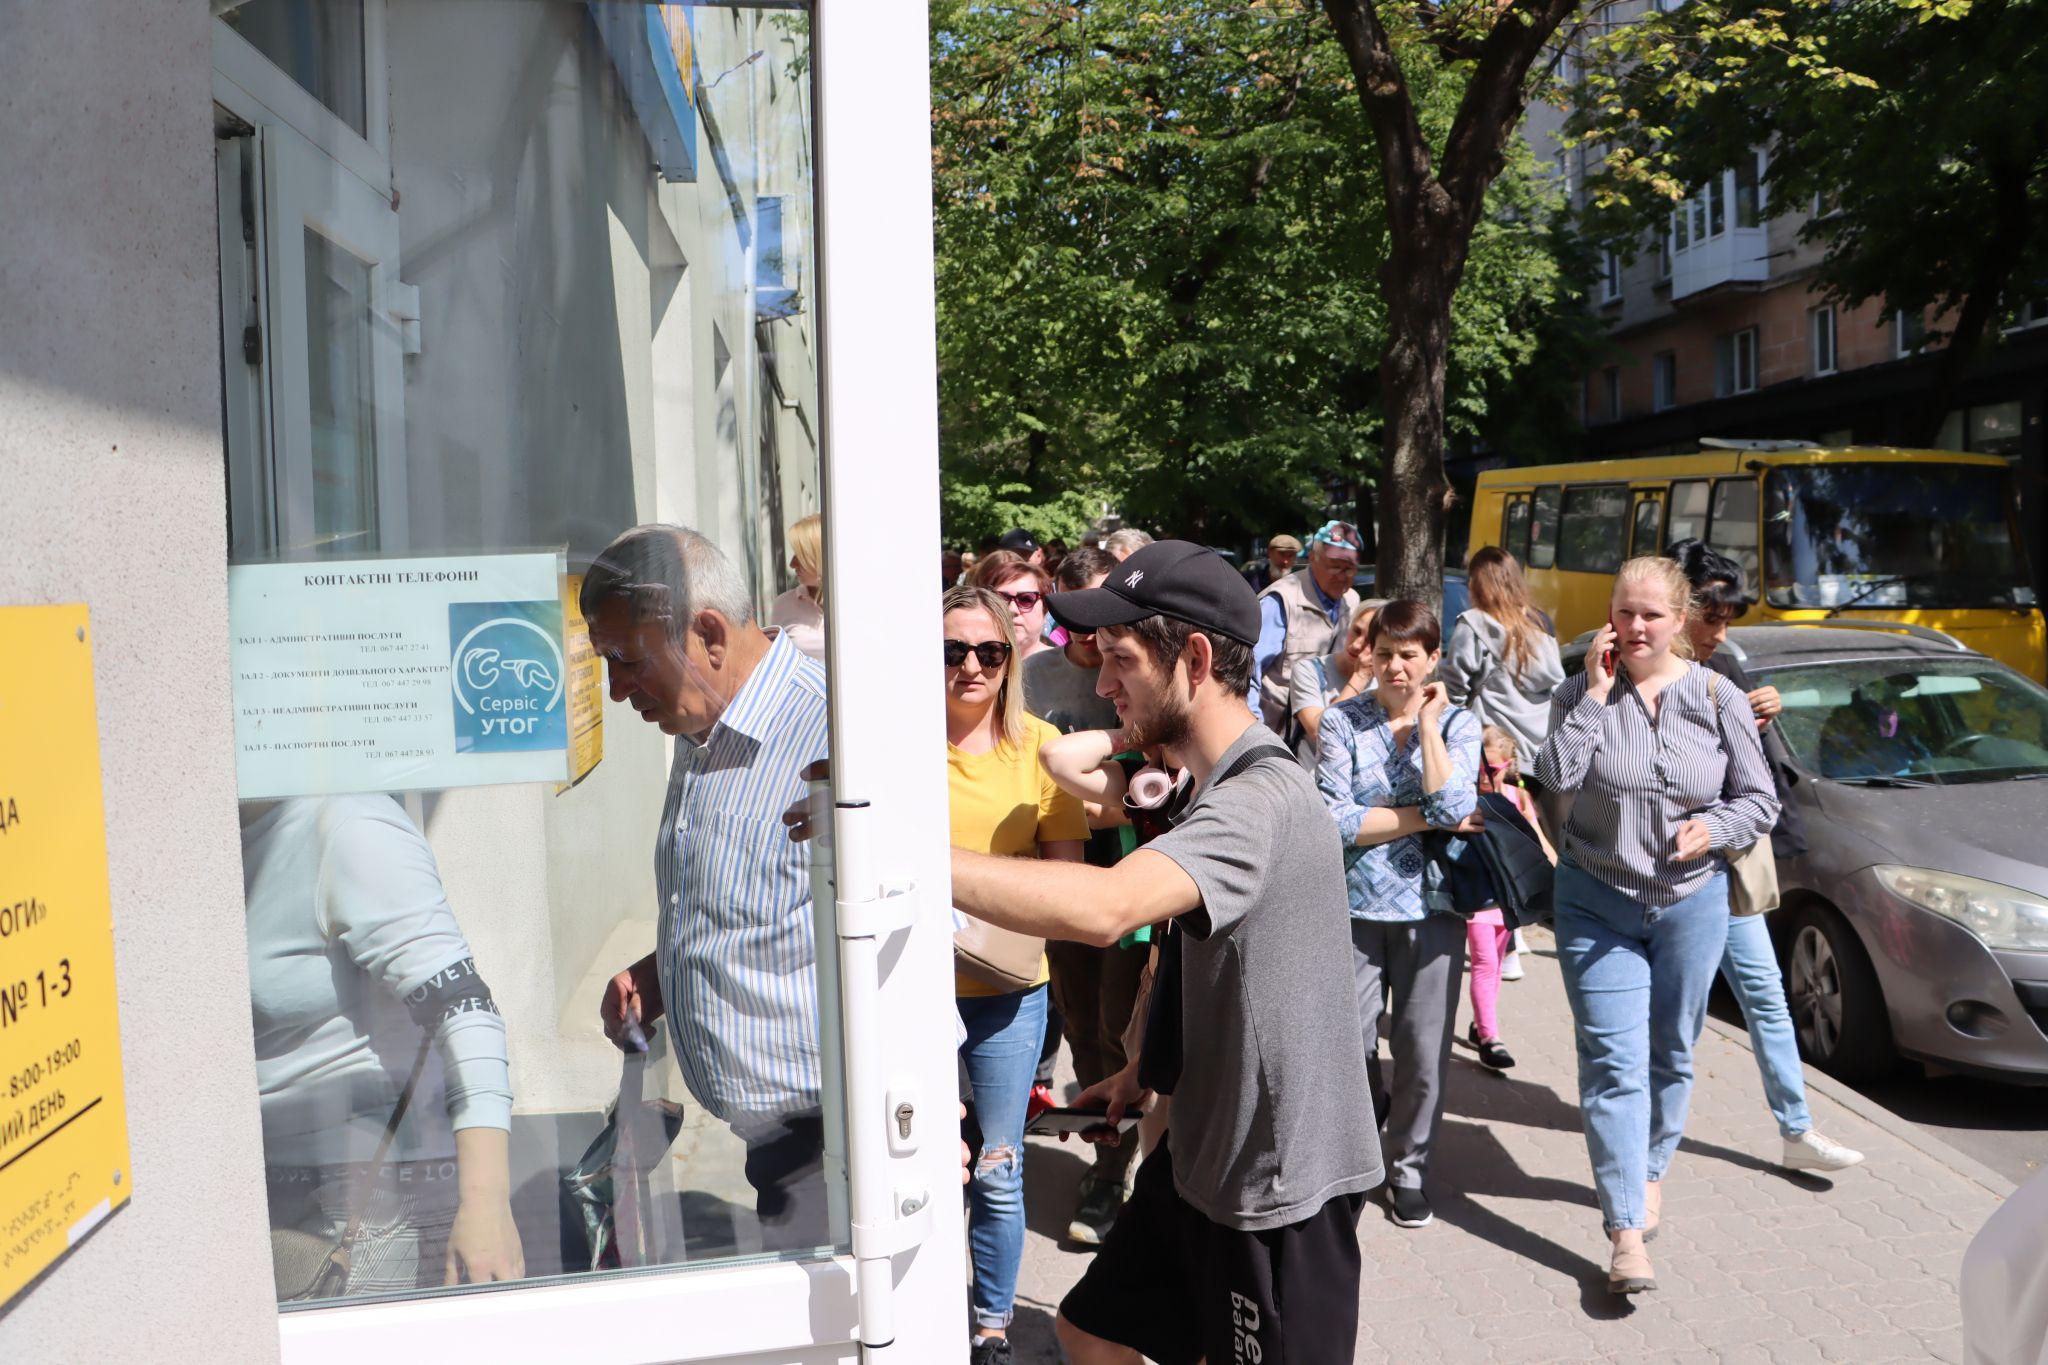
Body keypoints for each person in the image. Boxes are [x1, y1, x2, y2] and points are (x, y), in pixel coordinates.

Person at [950, 540, 1380, 1365]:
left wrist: (897, 851)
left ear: (1193, 658)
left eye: (1119, 661)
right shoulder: (1202, 784)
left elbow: (1108, 909)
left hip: (1277, 1187)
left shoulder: (1262, 799)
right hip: (1200, 1156)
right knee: (1089, 1330)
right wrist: (1143, 1070)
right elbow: (1197, 956)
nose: (1101, 684)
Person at [1536, 555, 1779, 1294]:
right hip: (1595, 900)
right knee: (1613, 1065)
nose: (1634, 626)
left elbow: (1759, 799)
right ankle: (1625, 1231)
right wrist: (1598, 697)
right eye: (1623, 611)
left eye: (1650, 614)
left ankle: (1648, 1168)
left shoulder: (1717, 695)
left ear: (1680, 620)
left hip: (1689, 902)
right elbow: (1556, 776)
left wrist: (1716, 828)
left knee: (1672, 1048)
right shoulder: (1579, 692)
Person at [585, 524, 831, 1254]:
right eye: (605, 663)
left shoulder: (831, 734)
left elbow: (915, 932)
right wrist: (662, 973)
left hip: (837, 1143)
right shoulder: (705, 724)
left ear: (710, 634)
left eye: (628, 661)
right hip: (776, 1142)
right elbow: (747, 900)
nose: (616, 690)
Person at [243, 795, 521, 1299]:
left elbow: (465, 1012)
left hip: (368, 1209)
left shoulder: (349, 828)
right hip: (262, 1198)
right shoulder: (200, 839)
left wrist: (486, 1203)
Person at [1670, 539, 1865, 1174]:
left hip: (1725, 866)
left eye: (1729, 618)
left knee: (1767, 996)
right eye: (1712, 616)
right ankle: (1644, 1140)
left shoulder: (1725, 666)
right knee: (1677, 1018)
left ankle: (1796, 1126)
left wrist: (1761, 721)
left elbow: (1754, 781)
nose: (1720, 631)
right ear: (1680, 604)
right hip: (1666, 876)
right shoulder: (1644, 669)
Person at [942, 583, 1090, 1364]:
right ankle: (923, 1309)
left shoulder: (1039, 746)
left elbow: (1065, 883)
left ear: (1010, 657)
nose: (971, 665)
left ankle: (992, 1327)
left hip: (1008, 992)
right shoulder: (895, 749)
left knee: (998, 1169)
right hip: (907, 992)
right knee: (928, 1164)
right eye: (952, 650)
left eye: (989, 650)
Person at [1316, 600, 1482, 1231]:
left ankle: (1408, 1170)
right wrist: (1423, 817)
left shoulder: (1461, 724)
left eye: (1409, 655)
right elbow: (1332, 821)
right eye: (1384, 653)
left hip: (1432, 911)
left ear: (1432, 659)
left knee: (1421, 1052)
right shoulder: (1342, 723)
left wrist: (1430, 727)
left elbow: (1459, 799)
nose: (1394, 666)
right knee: (1350, 1047)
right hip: (1352, 909)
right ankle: (1357, 1162)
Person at [1021, 547, 1149, 1242]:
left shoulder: (1133, 670)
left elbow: (1141, 792)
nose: (1090, 631)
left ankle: (1114, 1168)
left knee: (1118, 1022)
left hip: (1126, 872)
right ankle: (1109, 1151)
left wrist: (1091, 803)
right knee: (1076, 1020)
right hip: (1057, 869)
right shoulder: (1033, 675)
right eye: (1074, 612)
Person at [1446, 727, 1557, 1072]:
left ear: (1508, 765)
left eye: (1496, 768)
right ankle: (1491, 1038)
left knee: (1495, 962)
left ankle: (1480, 1026)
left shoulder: (1517, 796)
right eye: (1484, 767)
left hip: (1507, 895)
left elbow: (1536, 836)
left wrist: (1556, 868)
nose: (1488, 774)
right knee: (1485, 963)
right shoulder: (1466, 795)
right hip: (1479, 893)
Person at [1252, 519, 1363, 734]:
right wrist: (1252, 733)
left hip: (1325, 732)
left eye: (1349, 568)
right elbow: (1246, 671)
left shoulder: (1353, 602)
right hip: (1275, 733)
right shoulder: (1281, 601)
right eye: (1335, 566)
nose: (1342, 575)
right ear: (1313, 558)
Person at [1287, 597, 1388, 768]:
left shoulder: (1388, 681)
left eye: (1369, 640)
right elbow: (1319, 731)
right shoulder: (1310, 670)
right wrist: (1360, 678)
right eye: (1356, 631)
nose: (1356, 645)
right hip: (1315, 783)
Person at [973, 549, 1057, 664]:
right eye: (1001, 599)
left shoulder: (1068, 670)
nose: (1012, 609)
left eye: (1026, 599)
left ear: (1045, 607)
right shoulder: (968, 666)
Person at [769, 512, 826, 662]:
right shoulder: (783, 605)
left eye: (801, 555)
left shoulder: (857, 603)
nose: (792, 564)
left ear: (820, 556)